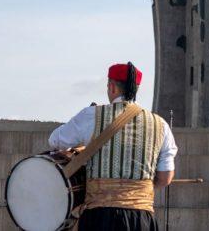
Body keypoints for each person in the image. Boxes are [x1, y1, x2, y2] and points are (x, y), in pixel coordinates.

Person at [49, 62, 178, 231]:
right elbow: (164, 179)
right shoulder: (160, 125)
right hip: (141, 219)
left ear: (112, 87)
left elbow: (55, 141)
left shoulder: (91, 116)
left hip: (99, 218)